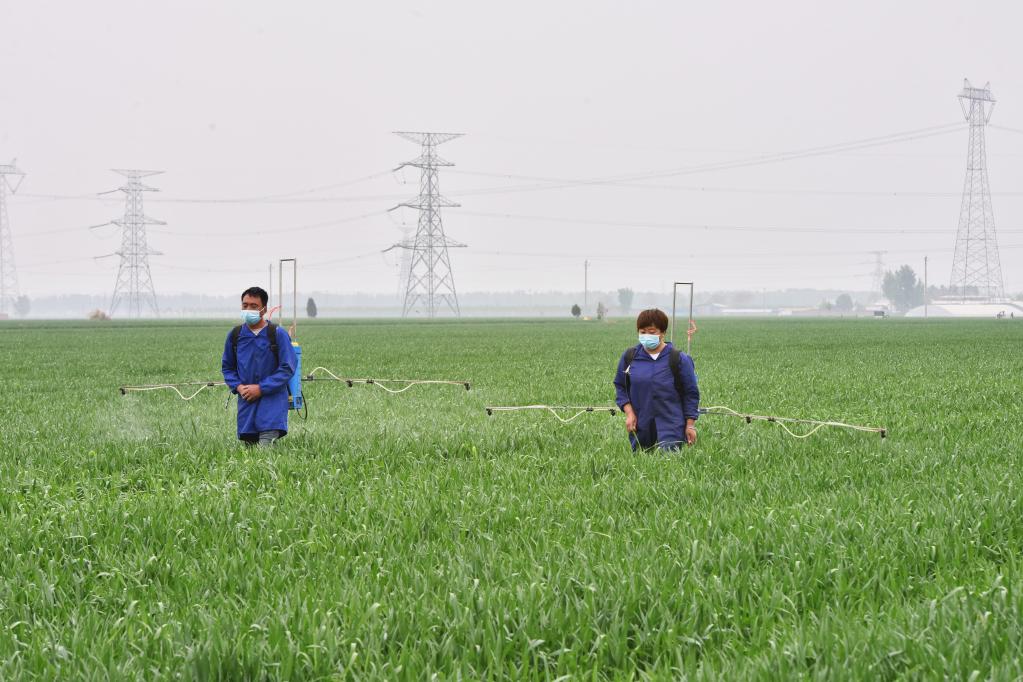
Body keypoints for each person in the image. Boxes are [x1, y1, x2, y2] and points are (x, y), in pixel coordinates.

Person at [613, 308, 700, 451]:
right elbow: (620, 386)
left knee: (669, 467)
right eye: (642, 332)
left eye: (652, 332)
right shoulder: (630, 357)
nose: (646, 336)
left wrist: (690, 425)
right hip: (640, 428)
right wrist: (629, 413)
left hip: (672, 428)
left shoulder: (678, 359)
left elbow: (691, 394)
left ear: (663, 333)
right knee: (641, 467)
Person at [221, 286, 297, 446]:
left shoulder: (277, 334)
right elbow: (228, 368)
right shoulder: (235, 336)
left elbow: (287, 368)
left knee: (265, 450)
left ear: (263, 309)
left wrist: (261, 388)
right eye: (245, 305)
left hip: (272, 403)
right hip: (247, 403)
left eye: (253, 306)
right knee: (249, 456)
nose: (248, 309)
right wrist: (239, 387)